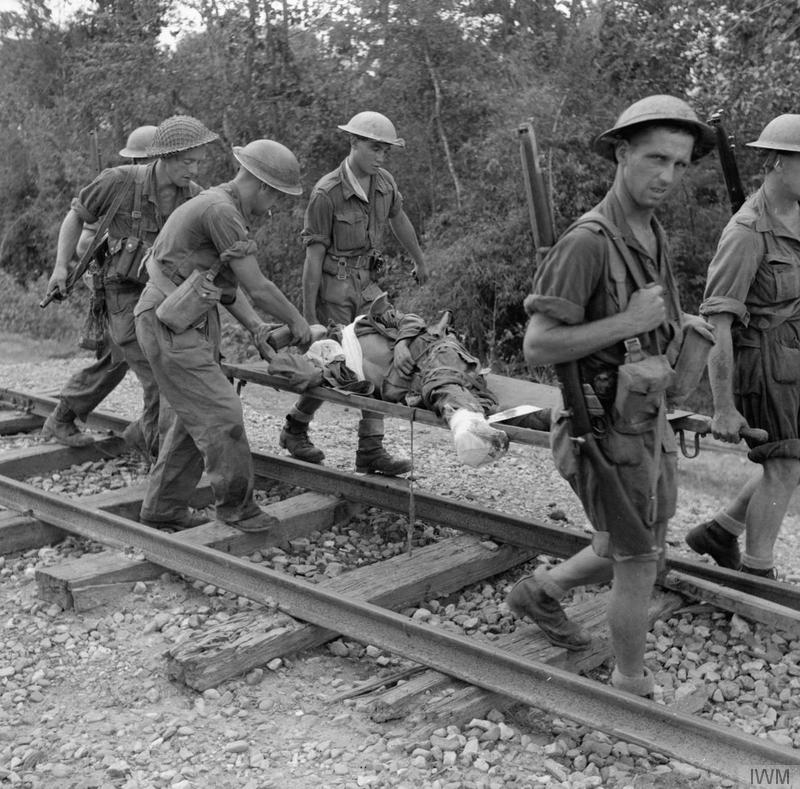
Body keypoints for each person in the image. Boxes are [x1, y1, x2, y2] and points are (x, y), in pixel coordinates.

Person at [505, 95, 715, 696]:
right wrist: (627, 323)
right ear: (622, 154)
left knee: (634, 542)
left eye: (679, 163)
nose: (667, 176)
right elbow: (539, 346)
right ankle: (630, 686)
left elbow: (652, 321)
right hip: (601, 429)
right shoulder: (587, 243)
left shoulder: (649, 231)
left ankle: (539, 592)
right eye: (655, 158)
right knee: (639, 561)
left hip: (646, 421)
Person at [133, 139, 312, 533]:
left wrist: (257, 328)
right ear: (263, 187)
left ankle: (162, 507)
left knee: (190, 417)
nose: (275, 205)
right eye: (277, 196)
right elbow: (259, 287)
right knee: (223, 413)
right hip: (171, 322)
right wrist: (298, 322)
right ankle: (237, 507)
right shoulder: (221, 211)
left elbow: (228, 288)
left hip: (182, 318)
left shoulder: (221, 206)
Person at [42, 116, 218, 456]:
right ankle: (156, 454)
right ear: (164, 156)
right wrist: (60, 268)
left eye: (198, 162)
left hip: (161, 297)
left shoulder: (193, 197)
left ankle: (80, 421)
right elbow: (77, 214)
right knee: (157, 375)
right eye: (187, 161)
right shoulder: (118, 181)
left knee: (116, 360)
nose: (194, 169)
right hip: (120, 293)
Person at [278, 111, 428, 476]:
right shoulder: (327, 193)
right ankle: (295, 428)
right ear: (353, 144)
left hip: (369, 286)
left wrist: (419, 259)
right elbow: (312, 259)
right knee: (338, 364)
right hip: (335, 287)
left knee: (379, 358)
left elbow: (399, 219)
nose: (381, 156)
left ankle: (370, 449)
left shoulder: (384, 183)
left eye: (386, 151)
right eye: (375, 148)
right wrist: (309, 317)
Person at [686, 114, 800, 581]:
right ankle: (757, 575)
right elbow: (720, 324)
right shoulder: (746, 232)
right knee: (785, 463)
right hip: (762, 362)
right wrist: (724, 406)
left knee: (790, 456)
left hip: (792, 356)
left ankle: (720, 530)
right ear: (775, 162)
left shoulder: (796, 214)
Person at [41, 125, 159, 453]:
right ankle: (148, 440)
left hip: (149, 294)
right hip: (119, 293)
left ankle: (63, 418)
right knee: (150, 371)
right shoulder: (118, 189)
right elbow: (82, 243)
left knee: (113, 360)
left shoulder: (166, 193)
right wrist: (114, 246)